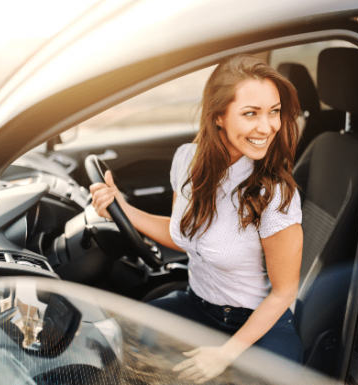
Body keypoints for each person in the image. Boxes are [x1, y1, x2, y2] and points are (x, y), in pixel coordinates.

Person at [90, 54, 303, 383]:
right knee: (111, 345)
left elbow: (284, 292)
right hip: (197, 306)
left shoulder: (274, 195)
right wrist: (122, 208)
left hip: (259, 326)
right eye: (251, 114)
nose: (268, 127)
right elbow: (184, 235)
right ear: (218, 116)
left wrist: (224, 354)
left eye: (274, 111)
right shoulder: (187, 160)